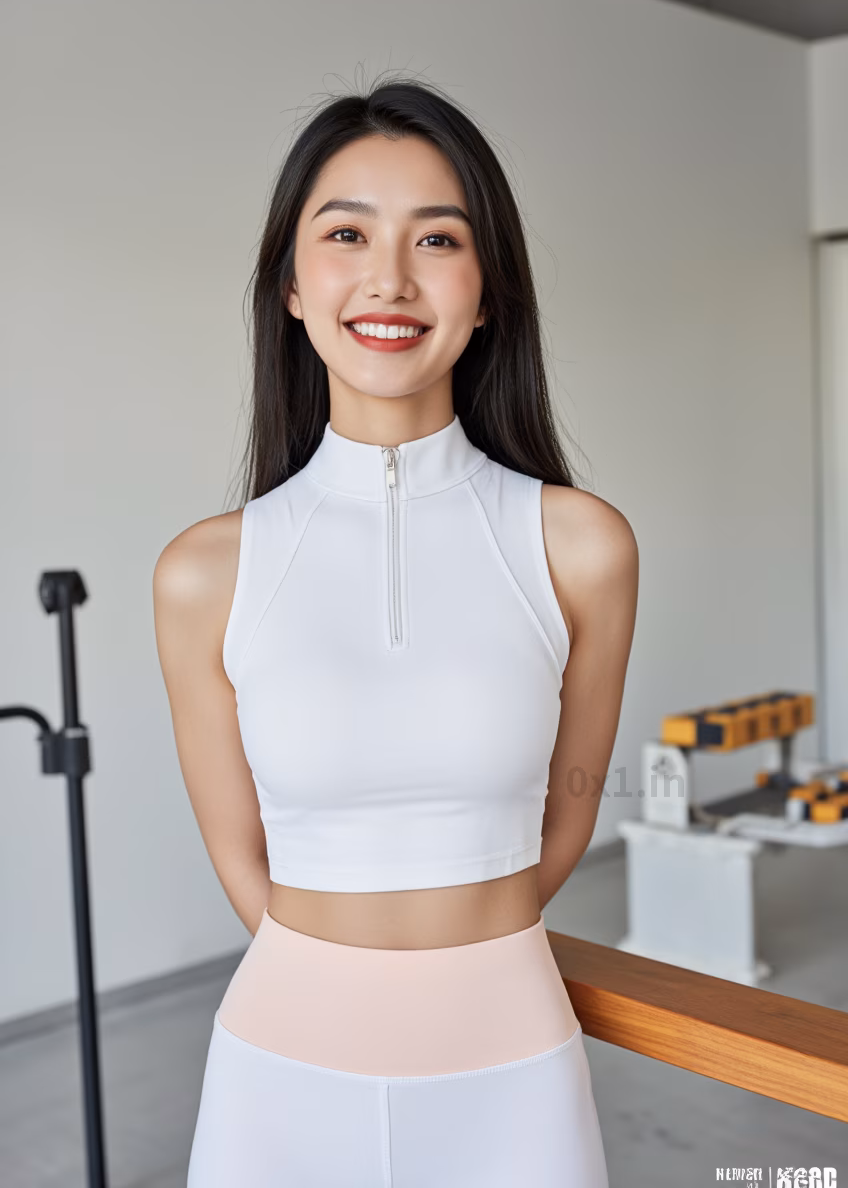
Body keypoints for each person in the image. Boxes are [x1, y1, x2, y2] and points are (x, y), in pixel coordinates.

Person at [153, 74, 638, 1186]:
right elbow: (241, 854)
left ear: (489, 292)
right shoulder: (204, 571)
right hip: (279, 1078)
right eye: (346, 234)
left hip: (514, 1071)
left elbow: (567, 815)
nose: (389, 278)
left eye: (436, 238)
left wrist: (462, 965)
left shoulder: (581, 546)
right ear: (290, 285)